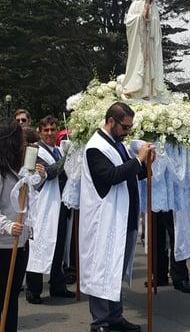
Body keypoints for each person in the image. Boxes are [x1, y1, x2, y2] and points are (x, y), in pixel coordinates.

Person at [79, 102, 155, 332]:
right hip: (105, 219)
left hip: (124, 217)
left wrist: (146, 166)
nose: (127, 132)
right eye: (125, 127)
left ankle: (115, 316)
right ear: (111, 121)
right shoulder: (96, 147)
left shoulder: (117, 144)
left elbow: (129, 175)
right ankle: (101, 321)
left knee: (116, 270)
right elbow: (111, 176)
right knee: (102, 268)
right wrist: (138, 160)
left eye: (130, 127)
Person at [0, 118, 44, 332]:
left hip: (20, 243)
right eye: (20, 140)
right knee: (3, 297)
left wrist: (38, 177)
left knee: (12, 297)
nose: (24, 145)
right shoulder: (1, 172)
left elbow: (27, 198)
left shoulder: (19, 168)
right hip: (2, 245)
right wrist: (7, 225)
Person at [26, 115, 75, 303]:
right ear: (39, 131)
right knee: (39, 245)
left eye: (53, 129)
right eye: (46, 130)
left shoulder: (57, 150)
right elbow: (48, 173)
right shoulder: (34, 151)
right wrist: (68, 159)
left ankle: (58, 285)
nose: (49, 133)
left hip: (60, 204)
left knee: (59, 244)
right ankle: (34, 289)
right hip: (41, 207)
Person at [121, 0, 166, 100]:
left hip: (150, 42)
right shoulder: (136, 4)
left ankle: (147, 91)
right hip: (139, 42)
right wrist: (142, 17)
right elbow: (130, 21)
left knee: (149, 65)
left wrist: (150, 20)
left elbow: (156, 26)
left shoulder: (154, 8)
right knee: (138, 63)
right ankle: (133, 89)